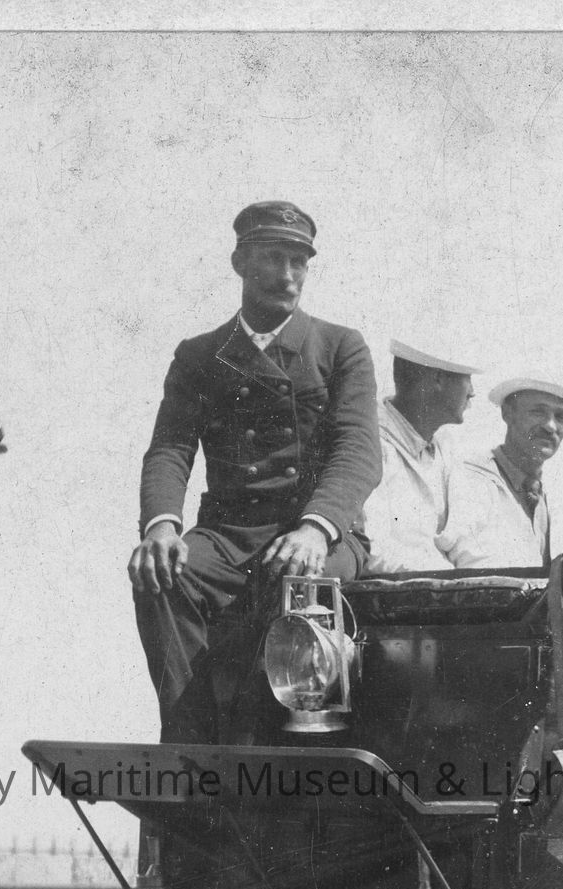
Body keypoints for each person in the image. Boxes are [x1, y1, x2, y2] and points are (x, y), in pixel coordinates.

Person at [129, 201, 381, 741]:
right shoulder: (199, 355)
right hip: (228, 536)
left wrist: (315, 528)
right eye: (272, 258)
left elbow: (358, 450)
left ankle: (261, 745)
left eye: (299, 261)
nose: (287, 275)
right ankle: (191, 743)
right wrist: (162, 526)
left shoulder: (340, 347)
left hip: (317, 534)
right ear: (240, 262)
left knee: (296, 583)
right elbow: (170, 447)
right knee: (163, 573)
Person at [439, 376, 563, 568]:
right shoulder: (471, 478)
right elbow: (474, 567)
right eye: (538, 412)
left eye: (560, 417)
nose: (551, 426)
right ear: (507, 413)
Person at [361, 340, 479, 573]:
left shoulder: (446, 447)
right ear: (438, 379)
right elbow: (372, 549)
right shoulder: (369, 442)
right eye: (467, 378)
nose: (472, 392)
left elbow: (464, 541)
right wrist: (450, 579)